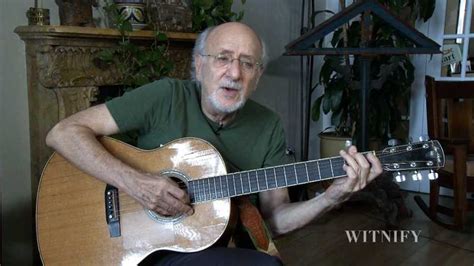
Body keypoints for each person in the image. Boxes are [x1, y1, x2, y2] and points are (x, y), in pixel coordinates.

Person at [46, 22, 383, 265]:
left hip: (206, 245)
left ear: (257, 76)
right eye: (223, 58)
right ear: (198, 64)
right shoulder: (165, 97)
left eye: (247, 63)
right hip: (139, 244)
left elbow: (276, 219)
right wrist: (137, 183)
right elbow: (62, 132)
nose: (234, 73)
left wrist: (332, 196)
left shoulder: (268, 125)